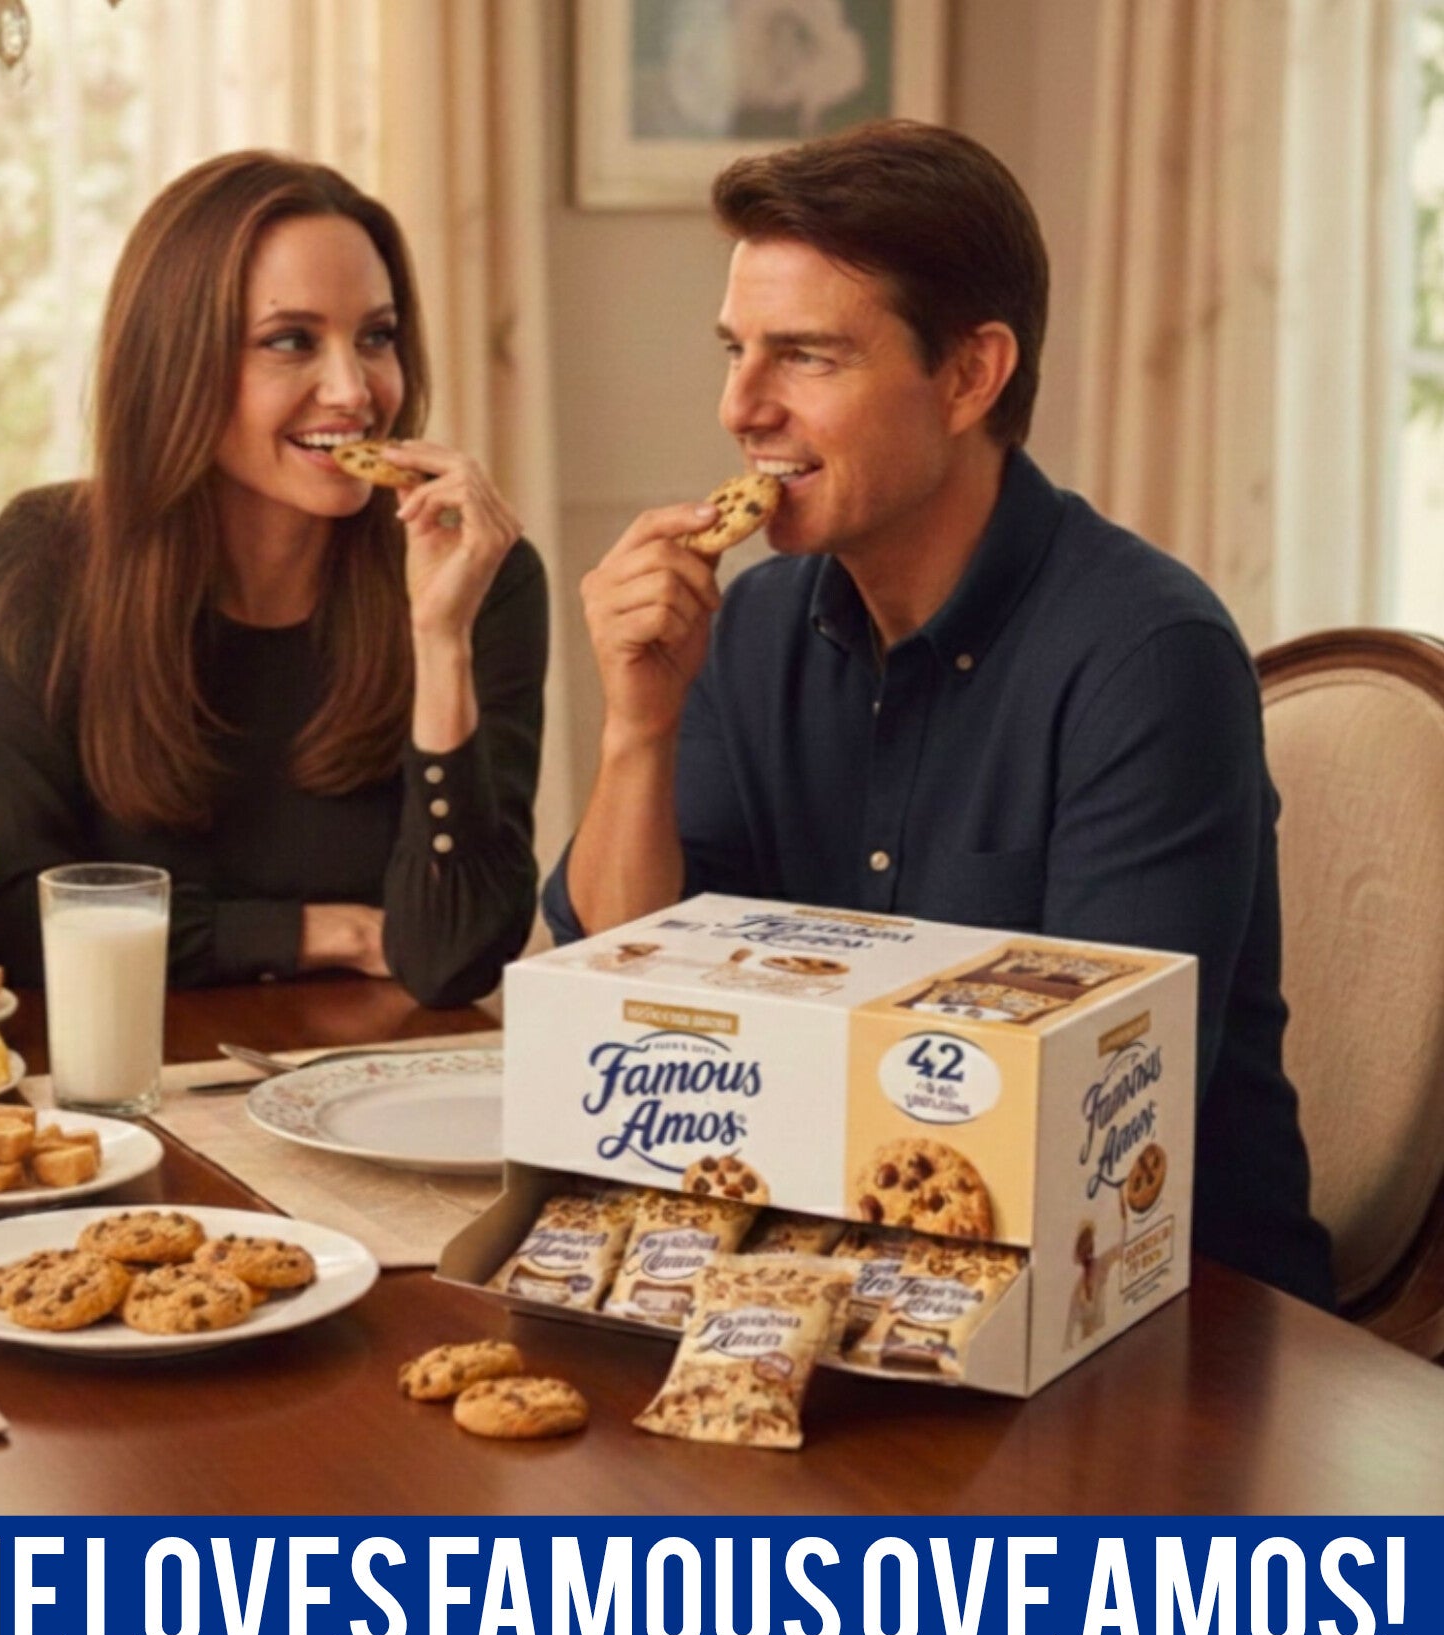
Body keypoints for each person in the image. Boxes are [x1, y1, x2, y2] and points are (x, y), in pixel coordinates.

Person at [542, 120, 1334, 1307]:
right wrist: (637, 730)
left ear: (971, 375)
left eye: (804, 357)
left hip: (1159, 1321)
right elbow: (618, 1005)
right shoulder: (746, 629)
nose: (741, 407)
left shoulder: (1148, 660)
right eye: (735, 351)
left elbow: (1097, 1116)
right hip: (831, 1278)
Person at [0, 151, 546, 1008]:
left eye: (377, 337)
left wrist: (440, 641)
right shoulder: (48, 558)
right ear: (177, 363)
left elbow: (454, 955)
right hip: (115, 1087)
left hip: (367, 1085)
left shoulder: (476, 575)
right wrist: (326, 932)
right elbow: (23, 927)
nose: (354, 390)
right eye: (290, 342)